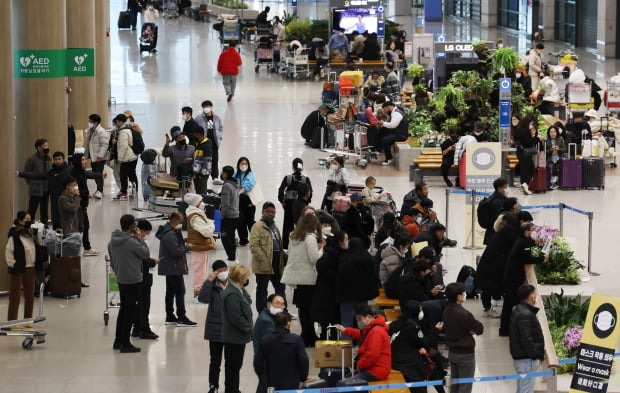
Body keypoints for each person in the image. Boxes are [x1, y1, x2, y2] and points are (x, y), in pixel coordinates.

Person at [108, 214, 151, 353]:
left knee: (124, 309)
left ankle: (118, 340)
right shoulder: (132, 242)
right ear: (132, 226)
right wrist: (140, 239)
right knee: (130, 312)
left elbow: (112, 261)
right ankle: (125, 343)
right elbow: (145, 254)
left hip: (121, 278)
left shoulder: (112, 241)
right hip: (133, 279)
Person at [281, 213, 324, 347]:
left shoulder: (294, 236)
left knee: (302, 308)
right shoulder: (310, 238)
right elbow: (313, 258)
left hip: (298, 278)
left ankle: (306, 333)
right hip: (308, 278)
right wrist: (321, 249)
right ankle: (310, 335)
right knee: (309, 309)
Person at [500, 222, 548, 336]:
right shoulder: (522, 243)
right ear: (526, 231)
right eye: (531, 230)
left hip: (511, 277)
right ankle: (505, 329)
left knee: (509, 303)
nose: (533, 233)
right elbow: (528, 258)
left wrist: (536, 243)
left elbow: (529, 245)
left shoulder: (523, 240)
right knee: (511, 303)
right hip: (512, 279)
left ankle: (505, 329)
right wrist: (542, 259)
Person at [389, 300, 446, 393]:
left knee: (432, 361)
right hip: (405, 361)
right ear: (415, 312)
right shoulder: (413, 327)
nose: (421, 312)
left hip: (399, 355)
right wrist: (435, 330)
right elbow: (425, 343)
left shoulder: (399, 322)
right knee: (431, 364)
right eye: (420, 310)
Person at [198, 260, 234, 393]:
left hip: (231, 329)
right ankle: (213, 386)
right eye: (220, 271)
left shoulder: (234, 284)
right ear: (215, 272)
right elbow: (203, 299)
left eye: (225, 269)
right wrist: (208, 282)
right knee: (215, 361)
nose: (223, 273)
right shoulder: (211, 286)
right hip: (215, 329)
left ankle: (231, 387)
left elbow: (247, 300)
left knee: (230, 362)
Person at [442, 282, 484, 393]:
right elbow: (479, 329)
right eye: (463, 293)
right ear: (459, 296)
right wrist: (470, 330)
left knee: (455, 386)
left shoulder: (446, 310)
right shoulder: (463, 314)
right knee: (465, 387)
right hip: (465, 355)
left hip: (452, 352)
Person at [156, 212, 197, 327]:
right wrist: (187, 247)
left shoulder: (169, 232)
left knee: (171, 291)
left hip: (170, 267)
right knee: (180, 291)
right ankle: (181, 317)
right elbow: (175, 251)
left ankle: (170, 316)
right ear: (174, 220)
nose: (180, 224)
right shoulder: (169, 234)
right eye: (180, 222)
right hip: (173, 267)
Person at [333, 304, 392, 382]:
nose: (358, 322)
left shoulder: (376, 331)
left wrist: (359, 365)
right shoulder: (370, 328)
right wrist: (344, 330)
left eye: (359, 319)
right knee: (343, 380)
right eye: (357, 320)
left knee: (344, 383)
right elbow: (359, 334)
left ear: (369, 317)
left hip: (376, 371)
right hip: (371, 368)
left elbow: (372, 355)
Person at [17, 151, 72, 230]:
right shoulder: (51, 173)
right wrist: (21, 174)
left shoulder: (69, 170)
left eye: (59, 159)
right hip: (55, 201)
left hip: (67, 200)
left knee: (67, 223)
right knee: (56, 224)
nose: (57, 161)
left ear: (63, 160)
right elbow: (37, 175)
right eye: (55, 159)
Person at [255, 312, 309, 391]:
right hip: (292, 383)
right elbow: (304, 361)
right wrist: (302, 379)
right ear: (288, 324)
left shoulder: (265, 340)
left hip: (271, 383)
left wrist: (263, 377)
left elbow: (257, 362)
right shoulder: (296, 339)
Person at [221, 263, 253, 393]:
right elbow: (236, 318)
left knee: (234, 367)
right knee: (233, 367)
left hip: (235, 336)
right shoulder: (232, 294)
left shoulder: (236, 289)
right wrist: (248, 328)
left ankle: (234, 389)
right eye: (245, 277)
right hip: (234, 337)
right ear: (240, 278)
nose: (247, 280)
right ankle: (231, 390)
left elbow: (248, 301)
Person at [337, 238, 380, 334]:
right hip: (363, 297)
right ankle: (363, 344)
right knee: (363, 322)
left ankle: (346, 346)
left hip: (346, 297)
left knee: (346, 323)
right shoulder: (368, 258)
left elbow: (340, 279)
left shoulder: (346, 259)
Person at [250, 202, 286, 313]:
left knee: (280, 287)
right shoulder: (257, 226)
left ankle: (283, 310)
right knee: (262, 289)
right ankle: (262, 311)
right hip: (264, 264)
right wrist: (264, 259)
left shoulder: (274, 226)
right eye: (268, 211)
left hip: (276, 262)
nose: (270, 214)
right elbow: (254, 246)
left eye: (272, 212)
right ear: (262, 212)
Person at [509, 284, 544, 393]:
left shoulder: (518, 309)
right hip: (526, 359)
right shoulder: (526, 314)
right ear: (531, 296)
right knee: (526, 390)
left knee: (522, 389)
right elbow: (526, 338)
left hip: (522, 358)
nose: (536, 296)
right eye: (535, 293)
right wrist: (534, 354)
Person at [312, 230, 347, 339]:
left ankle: (328, 337)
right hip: (328, 290)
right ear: (339, 242)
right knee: (329, 316)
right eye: (346, 239)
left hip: (328, 289)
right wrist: (337, 275)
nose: (347, 242)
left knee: (328, 317)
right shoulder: (333, 254)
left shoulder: (330, 252)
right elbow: (321, 268)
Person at [71, 153, 106, 257]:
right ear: (77, 162)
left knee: (84, 225)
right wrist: (87, 194)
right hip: (77, 205)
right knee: (81, 226)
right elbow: (74, 191)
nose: (85, 161)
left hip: (82, 204)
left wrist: (100, 175)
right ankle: (81, 248)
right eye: (82, 160)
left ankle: (85, 248)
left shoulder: (80, 171)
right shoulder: (74, 174)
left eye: (85, 159)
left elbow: (88, 174)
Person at [6, 212, 37, 322]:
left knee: (29, 296)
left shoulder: (31, 234)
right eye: (26, 219)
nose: (28, 221)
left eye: (30, 219)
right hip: (17, 268)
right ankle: (12, 321)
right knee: (15, 297)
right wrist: (12, 264)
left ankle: (28, 319)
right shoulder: (14, 234)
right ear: (20, 221)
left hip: (31, 267)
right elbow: (9, 251)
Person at [131, 219, 159, 340]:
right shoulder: (137, 242)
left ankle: (136, 328)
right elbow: (142, 259)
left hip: (137, 277)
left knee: (138, 304)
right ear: (140, 230)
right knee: (144, 304)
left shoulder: (131, 242)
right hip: (142, 277)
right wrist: (153, 261)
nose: (145, 236)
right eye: (145, 233)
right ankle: (144, 329)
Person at [252, 294, 286, 393]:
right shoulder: (266, 321)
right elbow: (273, 344)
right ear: (268, 304)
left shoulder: (271, 317)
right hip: (266, 364)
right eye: (277, 304)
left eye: (282, 305)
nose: (280, 307)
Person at [184, 193, 215, 299]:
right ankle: (198, 292)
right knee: (200, 270)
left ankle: (201, 291)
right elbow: (206, 232)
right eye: (201, 202)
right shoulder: (195, 216)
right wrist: (212, 226)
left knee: (202, 269)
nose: (203, 203)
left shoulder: (196, 213)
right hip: (199, 246)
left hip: (201, 246)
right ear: (196, 203)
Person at [278, 158, 312, 249]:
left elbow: (281, 191)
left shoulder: (288, 177)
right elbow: (310, 192)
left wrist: (282, 201)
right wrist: (306, 202)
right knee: (301, 225)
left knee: (287, 227)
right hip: (301, 206)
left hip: (289, 205)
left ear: (293, 166)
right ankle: (302, 245)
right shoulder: (305, 178)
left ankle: (285, 247)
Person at [21, 138, 51, 225]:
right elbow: (27, 174)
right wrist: (31, 184)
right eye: (45, 146)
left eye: (47, 145)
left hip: (46, 188)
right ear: (39, 148)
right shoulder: (31, 159)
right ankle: (29, 227)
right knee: (32, 210)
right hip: (35, 189)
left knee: (44, 210)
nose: (47, 147)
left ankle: (44, 228)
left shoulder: (49, 159)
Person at [194, 100, 224, 184]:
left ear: (211, 107)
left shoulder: (217, 118)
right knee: (203, 159)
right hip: (204, 142)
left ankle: (215, 177)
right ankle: (202, 175)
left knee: (215, 159)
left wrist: (220, 137)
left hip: (214, 142)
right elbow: (195, 129)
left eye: (208, 106)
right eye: (204, 107)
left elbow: (221, 128)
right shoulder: (198, 118)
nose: (206, 108)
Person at [84, 114, 110, 199]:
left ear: (96, 122)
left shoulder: (101, 132)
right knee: (95, 174)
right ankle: (99, 190)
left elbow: (104, 145)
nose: (89, 123)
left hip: (99, 157)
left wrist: (100, 155)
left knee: (98, 173)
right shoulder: (91, 130)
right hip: (93, 157)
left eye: (91, 121)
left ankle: (100, 190)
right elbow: (88, 145)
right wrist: (86, 155)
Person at [115, 114, 139, 200]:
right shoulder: (129, 128)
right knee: (132, 174)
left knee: (123, 175)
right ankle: (135, 191)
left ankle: (124, 193)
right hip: (133, 156)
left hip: (127, 157)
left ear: (120, 121)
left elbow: (123, 146)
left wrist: (120, 158)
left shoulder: (123, 132)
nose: (116, 124)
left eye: (117, 122)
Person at [233, 157, 257, 246]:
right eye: (241, 164)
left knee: (250, 221)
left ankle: (255, 238)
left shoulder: (250, 175)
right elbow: (231, 181)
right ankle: (243, 239)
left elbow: (249, 184)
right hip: (238, 200)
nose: (243, 165)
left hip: (248, 200)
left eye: (245, 164)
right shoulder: (236, 174)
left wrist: (240, 191)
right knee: (240, 220)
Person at [378, 101, 409, 166]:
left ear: (388, 107)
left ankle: (389, 158)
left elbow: (393, 125)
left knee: (385, 140)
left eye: (384, 109)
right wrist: (384, 124)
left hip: (401, 135)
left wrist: (383, 123)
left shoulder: (396, 113)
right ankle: (378, 149)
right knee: (381, 131)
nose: (384, 111)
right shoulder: (394, 112)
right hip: (397, 132)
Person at [516, 116, 541, 195]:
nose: (531, 125)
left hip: (521, 151)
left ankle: (524, 186)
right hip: (525, 152)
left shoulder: (519, 129)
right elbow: (528, 142)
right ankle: (525, 184)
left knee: (525, 169)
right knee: (530, 170)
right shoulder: (525, 131)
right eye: (531, 123)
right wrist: (538, 139)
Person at [220, 166, 240, 264]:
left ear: (226, 174)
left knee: (224, 236)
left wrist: (221, 216)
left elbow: (226, 204)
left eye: (223, 173)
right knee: (231, 236)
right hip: (235, 215)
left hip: (228, 216)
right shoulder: (235, 184)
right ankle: (233, 257)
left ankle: (231, 257)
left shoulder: (227, 186)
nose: (222, 175)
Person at [482, 177, 509, 245]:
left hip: (495, 234)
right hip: (494, 235)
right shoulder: (497, 201)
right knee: (491, 253)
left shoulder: (501, 198)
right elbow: (499, 218)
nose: (507, 189)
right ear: (499, 188)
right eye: (505, 187)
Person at [190, 126, 213, 194]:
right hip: (197, 174)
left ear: (198, 134)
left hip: (202, 175)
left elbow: (207, 162)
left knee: (201, 192)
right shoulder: (198, 144)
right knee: (198, 191)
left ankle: (203, 204)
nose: (193, 135)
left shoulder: (206, 145)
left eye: (194, 134)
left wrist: (202, 175)